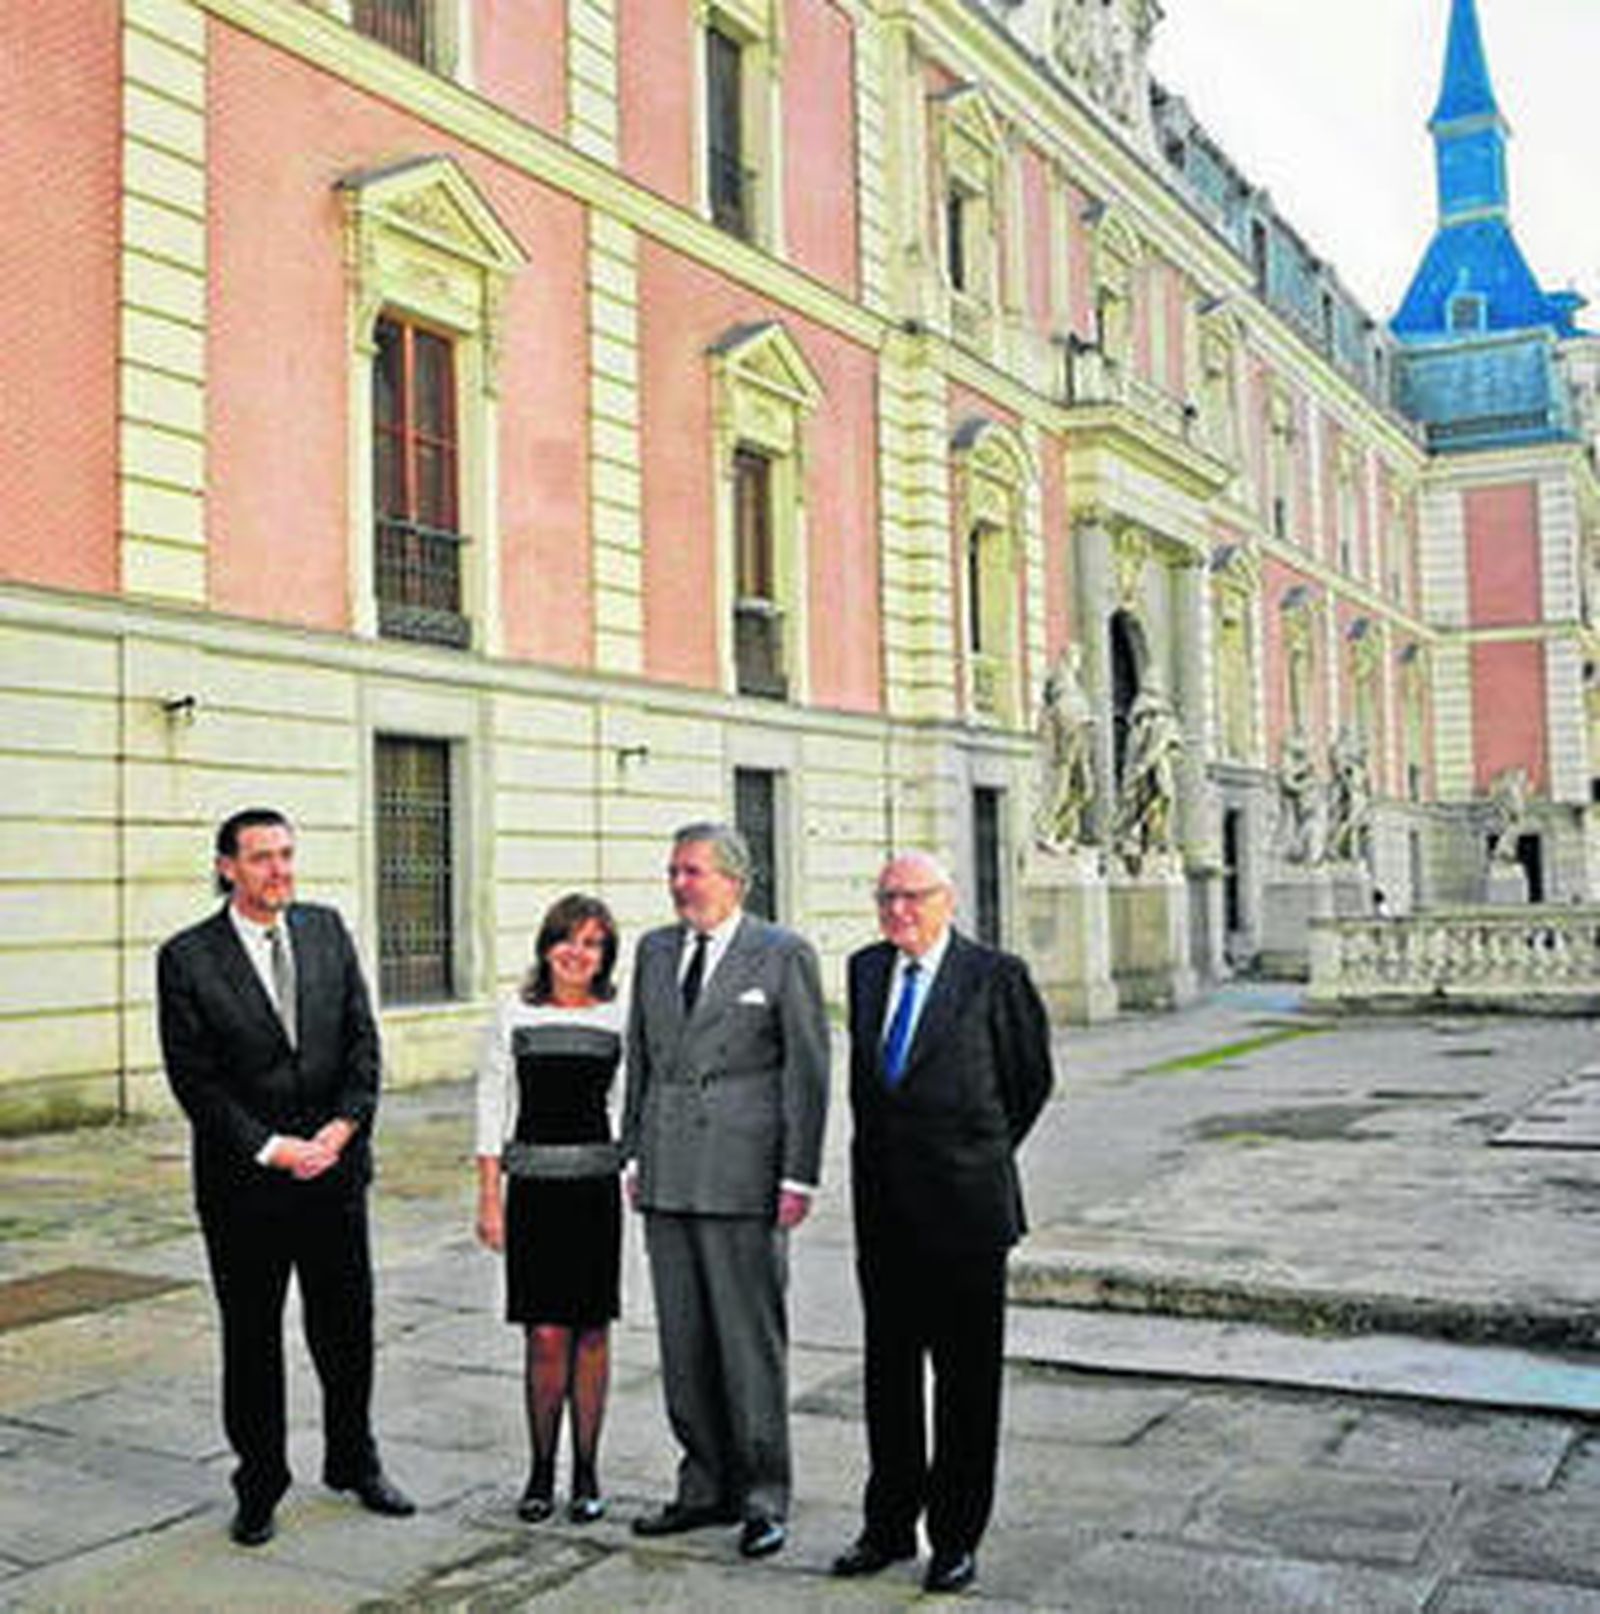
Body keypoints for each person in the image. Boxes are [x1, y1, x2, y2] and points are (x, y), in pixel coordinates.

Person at [156, 808, 413, 1548]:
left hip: (333, 1175)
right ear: (227, 867)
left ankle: (353, 1461)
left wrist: (342, 1127)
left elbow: (364, 1043)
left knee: (347, 1328)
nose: (280, 871)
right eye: (263, 858)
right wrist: (271, 1147)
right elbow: (195, 1081)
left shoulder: (327, 930)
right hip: (247, 1186)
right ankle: (260, 1482)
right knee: (253, 1338)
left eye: (288, 855)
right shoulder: (187, 958)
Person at [832, 851, 1053, 1595]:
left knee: (965, 1383)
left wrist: (972, 1156)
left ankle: (955, 1537)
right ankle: (888, 1525)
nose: (899, 910)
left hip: (965, 1215)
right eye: (886, 896)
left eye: (913, 897)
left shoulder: (995, 976)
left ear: (947, 900)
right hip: (884, 1216)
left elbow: (1029, 1082)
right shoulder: (865, 971)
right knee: (888, 1378)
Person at [622, 822, 829, 1560]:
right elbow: (640, 1059)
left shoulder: (781, 954)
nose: (680, 884)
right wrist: (632, 1155)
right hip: (668, 1172)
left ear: (736, 880)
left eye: (694, 872)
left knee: (749, 1342)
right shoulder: (652, 950)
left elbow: (807, 1073)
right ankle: (703, 1484)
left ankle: (764, 1494)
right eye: (674, 871)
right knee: (683, 1342)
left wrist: (798, 1174)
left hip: (746, 1177)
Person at [474, 894, 624, 1525]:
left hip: (594, 1192)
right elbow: (491, 1102)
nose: (577, 952)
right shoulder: (514, 1012)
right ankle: (540, 1472)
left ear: (604, 956)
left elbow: (626, 1103)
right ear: (546, 946)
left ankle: (587, 1472)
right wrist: (490, 1197)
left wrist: (633, 1175)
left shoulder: (619, 1016)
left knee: (591, 1333)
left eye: (592, 943)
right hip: (534, 1192)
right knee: (544, 1335)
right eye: (567, 939)